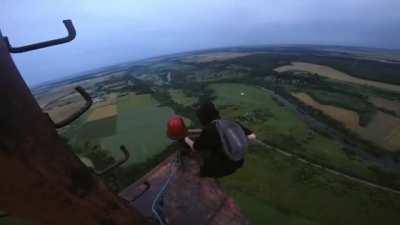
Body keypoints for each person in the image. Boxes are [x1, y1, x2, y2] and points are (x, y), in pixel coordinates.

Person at [184, 101, 256, 178]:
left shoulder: (209, 130)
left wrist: (186, 139)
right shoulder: (231, 123)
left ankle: (204, 174)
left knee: (203, 156)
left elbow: (195, 147)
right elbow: (253, 136)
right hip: (238, 162)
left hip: (222, 168)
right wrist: (233, 140)